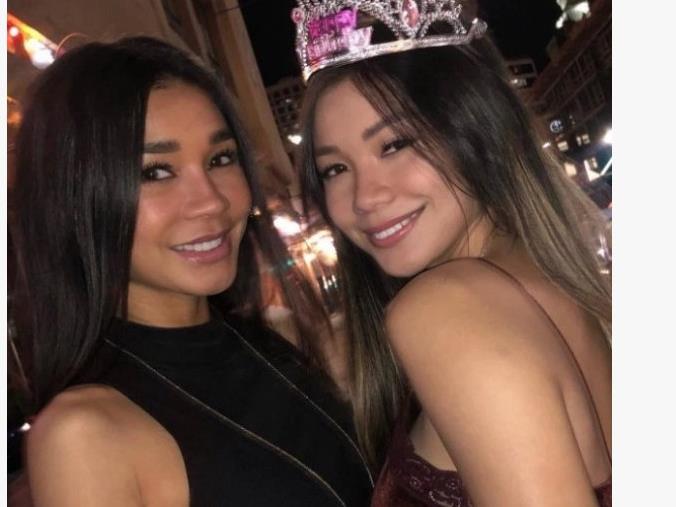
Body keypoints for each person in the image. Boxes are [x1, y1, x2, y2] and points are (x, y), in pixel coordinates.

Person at [11, 36, 373, 506]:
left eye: (220, 159)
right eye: (155, 172)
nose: (212, 201)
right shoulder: (82, 434)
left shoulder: (265, 344)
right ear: (75, 200)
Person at [292, 1, 611, 505]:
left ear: (477, 130)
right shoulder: (545, 279)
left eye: (394, 145)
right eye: (335, 169)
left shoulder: (447, 307)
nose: (365, 197)